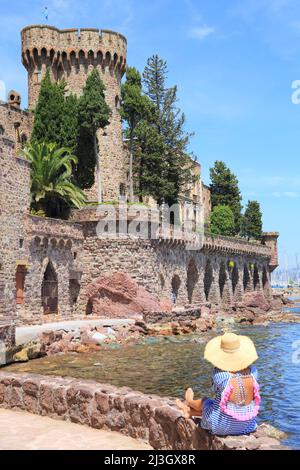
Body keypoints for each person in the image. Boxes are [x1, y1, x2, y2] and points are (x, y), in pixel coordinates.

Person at [176, 332, 261, 436]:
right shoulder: (254, 372)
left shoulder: (220, 375)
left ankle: (189, 402)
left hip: (220, 427)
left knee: (207, 402)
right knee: (224, 407)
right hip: (247, 426)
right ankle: (189, 411)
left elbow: (216, 392)